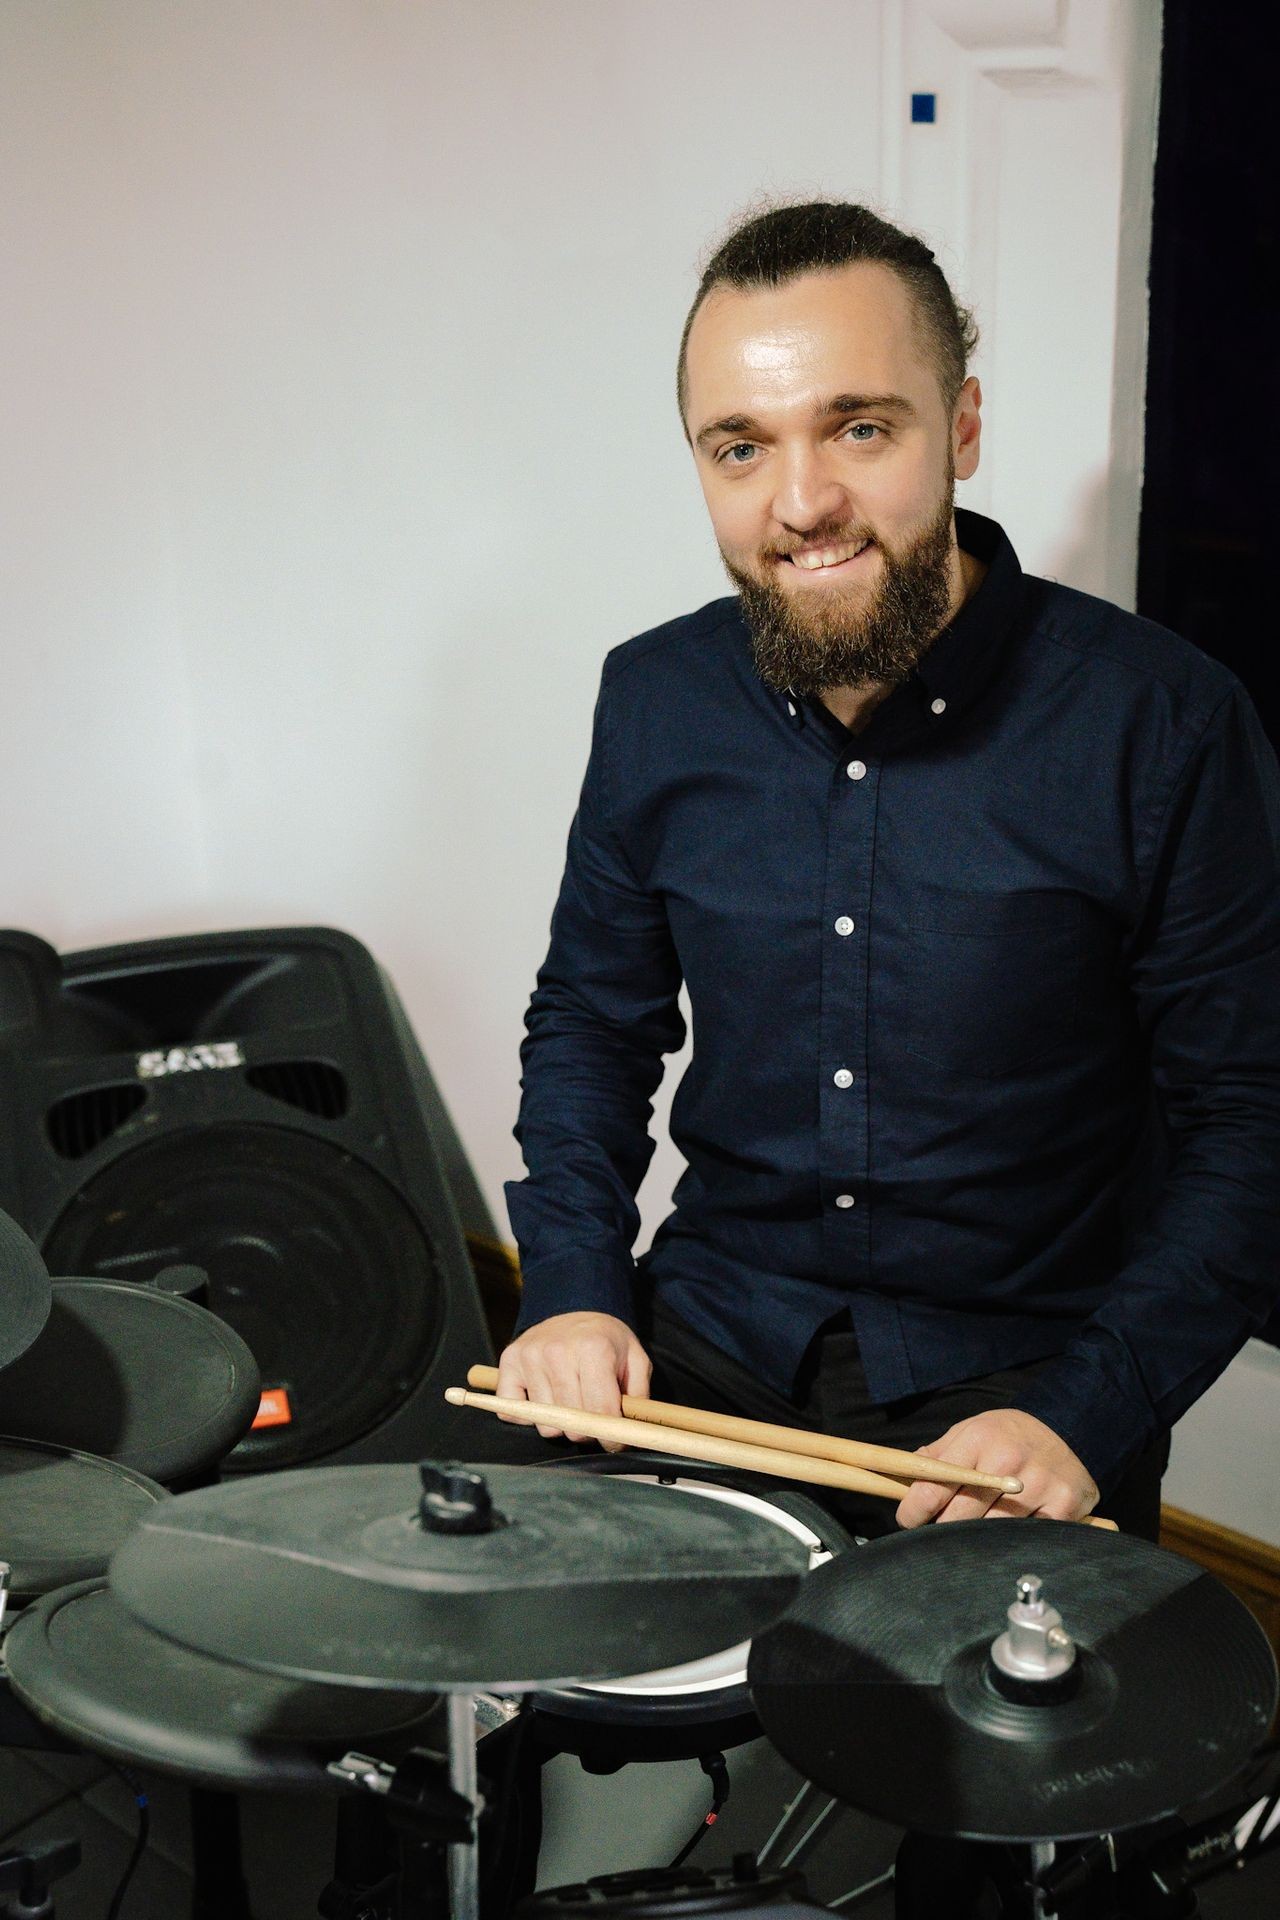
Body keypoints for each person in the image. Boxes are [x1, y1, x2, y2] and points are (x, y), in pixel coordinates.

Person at [498, 201, 1280, 1540]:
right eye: (741, 447)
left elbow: (1254, 1121)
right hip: (708, 1344)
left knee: (970, 1746)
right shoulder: (655, 699)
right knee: (552, 1705)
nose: (801, 504)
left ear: (962, 427)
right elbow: (591, 1022)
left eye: (860, 426)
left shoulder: (1166, 723)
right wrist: (573, 1283)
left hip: (1021, 1389)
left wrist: (1090, 1411)